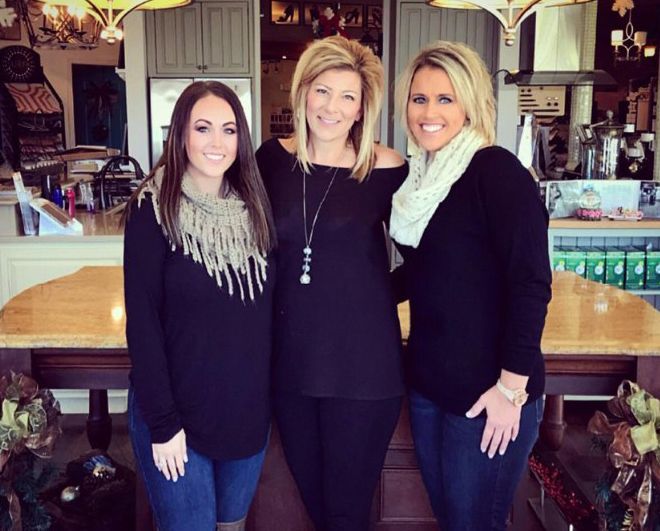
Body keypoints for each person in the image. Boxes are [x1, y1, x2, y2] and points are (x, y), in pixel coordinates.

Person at [390, 41, 552, 531]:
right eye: (420, 99)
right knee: (450, 518)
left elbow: (531, 284)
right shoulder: (422, 179)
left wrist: (511, 390)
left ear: (470, 104)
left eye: (445, 98)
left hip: (489, 393)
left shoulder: (495, 171)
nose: (430, 112)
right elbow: (425, 272)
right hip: (430, 387)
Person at [255, 36, 407, 531]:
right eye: (323, 91)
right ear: (302, 92)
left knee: (345, 514)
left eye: (347, 96)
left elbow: (433, 259)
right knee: (318, 509)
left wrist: (373, 294)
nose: (332, 107)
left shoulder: (388, 169)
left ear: (363, 107)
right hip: (291, 365)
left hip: (364, 368)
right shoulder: (270, 160)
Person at [123, 81, 275, 531]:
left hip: (245, 416)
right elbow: (144, 324)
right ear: (181, 136)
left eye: (228, 130)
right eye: (203, 128)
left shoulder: (257, 210)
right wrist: (164, 425)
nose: (216, 142)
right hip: (176, 419)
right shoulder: (153, 209)